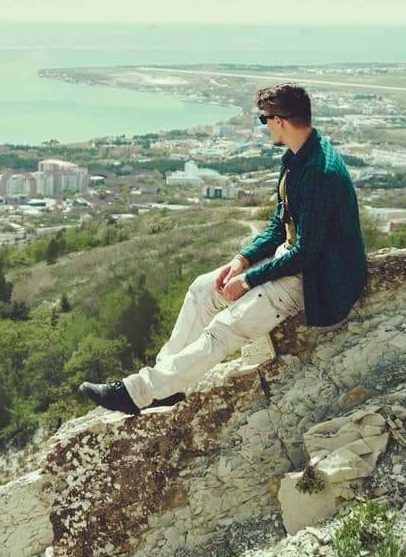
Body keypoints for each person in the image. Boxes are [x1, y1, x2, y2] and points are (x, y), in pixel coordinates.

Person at [80, 83, 369, 415]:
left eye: (264, 120)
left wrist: (248, 281)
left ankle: (138, 392)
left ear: (281, 121)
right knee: (204, 288)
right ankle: (166, 385)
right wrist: (241, 260)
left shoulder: (320, 171)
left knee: (225, 328)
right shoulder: (296, 159)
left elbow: (308, 252)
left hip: (318, 277)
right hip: (294, 260)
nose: (264, 127)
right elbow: (280, 223)